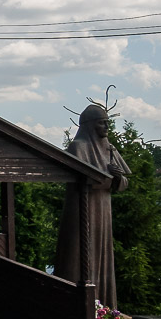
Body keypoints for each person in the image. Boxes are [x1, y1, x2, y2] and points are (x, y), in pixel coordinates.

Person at [53, 102, 130, 308]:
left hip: (103, 208)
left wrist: (117, 177)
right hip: (83, 209)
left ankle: (104, 307)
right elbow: (79, 178)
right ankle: (77, 306)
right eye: (101, 123)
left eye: (107, 123)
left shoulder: (109, 149)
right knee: (80, 254)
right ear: (89, 125)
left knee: (102, 254)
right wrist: (107, 179)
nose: (106, 127)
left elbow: (123, 182)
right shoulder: (79, 147)